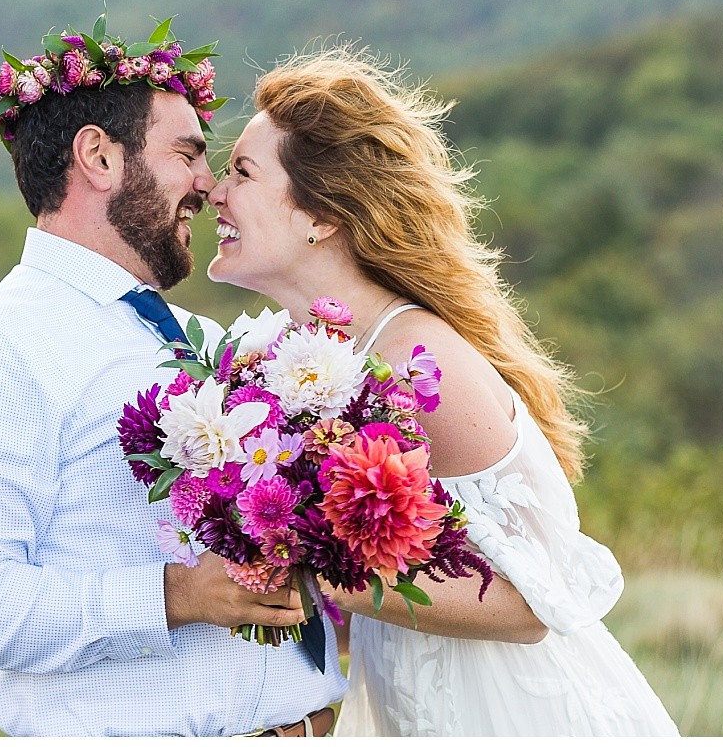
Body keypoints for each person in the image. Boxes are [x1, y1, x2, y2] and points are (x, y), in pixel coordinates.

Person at [205, 45, 679, 736]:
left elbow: (532, 603)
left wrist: (313, 575)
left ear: (321, 214)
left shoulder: (420, 359)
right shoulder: (295, 358)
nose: (215, 193)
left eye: (240, 172)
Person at [0, 20, 345, 737]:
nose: (210, 183)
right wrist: (175, 595)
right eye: (189, 153)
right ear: (99, 156)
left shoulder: (207, 338)